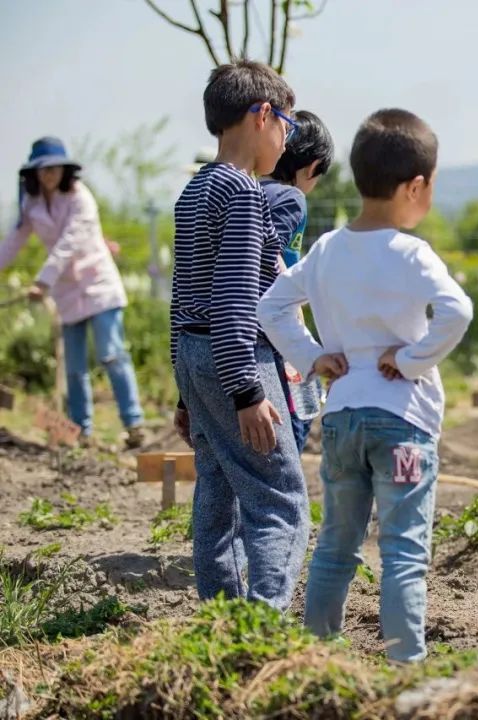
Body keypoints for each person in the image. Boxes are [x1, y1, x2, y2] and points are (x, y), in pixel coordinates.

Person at [258, 108, 472, 663]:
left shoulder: (326, 248)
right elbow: (457, 310)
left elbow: (272, 306)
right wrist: (414, 359)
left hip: (343, 422)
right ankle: (406, 666)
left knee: (335, 546)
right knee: (402, 550)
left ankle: (316, 659)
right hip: (402, 430)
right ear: (416, 187)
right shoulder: (411, 252)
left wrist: (311, 357)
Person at [171, 60, 319, 610]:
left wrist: (185, 392)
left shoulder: (193, 191)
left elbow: (182, 299)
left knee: (217, 492)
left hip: (194, 355)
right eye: (286, 124)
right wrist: (248, 393)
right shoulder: (243, 193)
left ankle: (222, 618)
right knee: (280, 501)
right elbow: (236, 300)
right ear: (262, 115)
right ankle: (261, 631)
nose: (287, 138)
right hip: (237, 358)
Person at [0, 137, 145, 447]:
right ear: (34, 173)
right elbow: (13, 241)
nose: (49, 175)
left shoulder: (81, 199)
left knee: (111, 354)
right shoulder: (32, 203)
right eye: (43, 170)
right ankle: (82, 431)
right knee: (74, 367)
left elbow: (68, 244)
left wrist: (41, 281)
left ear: (65, 170)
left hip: (97, 285)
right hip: (66, 291)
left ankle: (134, 425)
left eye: (54, 168)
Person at [259, 110, 335, 453]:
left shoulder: (251, 188)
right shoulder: (291, 199)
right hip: (274, 328)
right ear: (311, 166)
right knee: (292, 427)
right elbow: (280, 270)